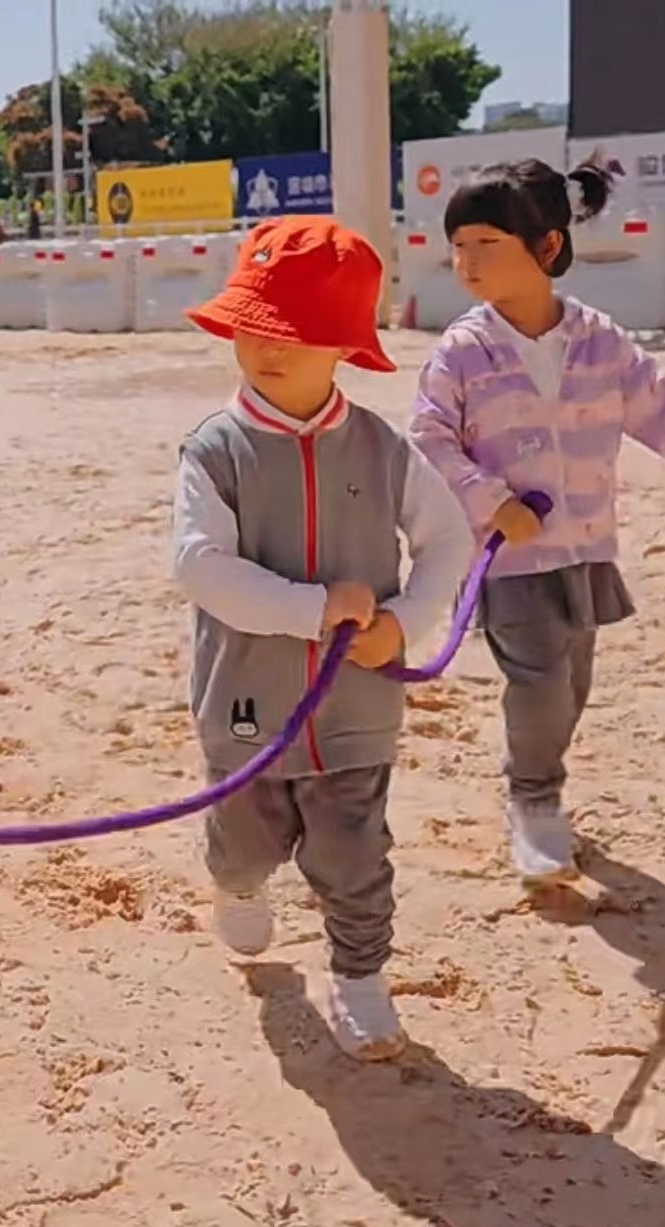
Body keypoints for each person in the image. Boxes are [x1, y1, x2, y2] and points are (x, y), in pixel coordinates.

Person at [407, 159, 665, 889]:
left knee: (572, 686)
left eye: (486, 243)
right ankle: (534, 801)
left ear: (548, 247)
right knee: (537, 683)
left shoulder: (601, 344)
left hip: (585, 549)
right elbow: (429, 438)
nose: (465, 262)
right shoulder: (462, 351)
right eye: (457, 245)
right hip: (508, 558)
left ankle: (539, 780)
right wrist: (489, 499)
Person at [171, 215, 474, 1061]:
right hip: (242, 703)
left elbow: (448, 543)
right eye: (253, 328)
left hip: (357, 706)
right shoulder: (214, 451)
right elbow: (200, 567)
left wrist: (403, 626)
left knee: (354, 851)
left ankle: (362, 978)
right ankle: (234, 884)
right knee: (244, 837)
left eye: (295, 335)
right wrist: (314, 607)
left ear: (343, 344)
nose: (267, 350)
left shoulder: (384, 449)